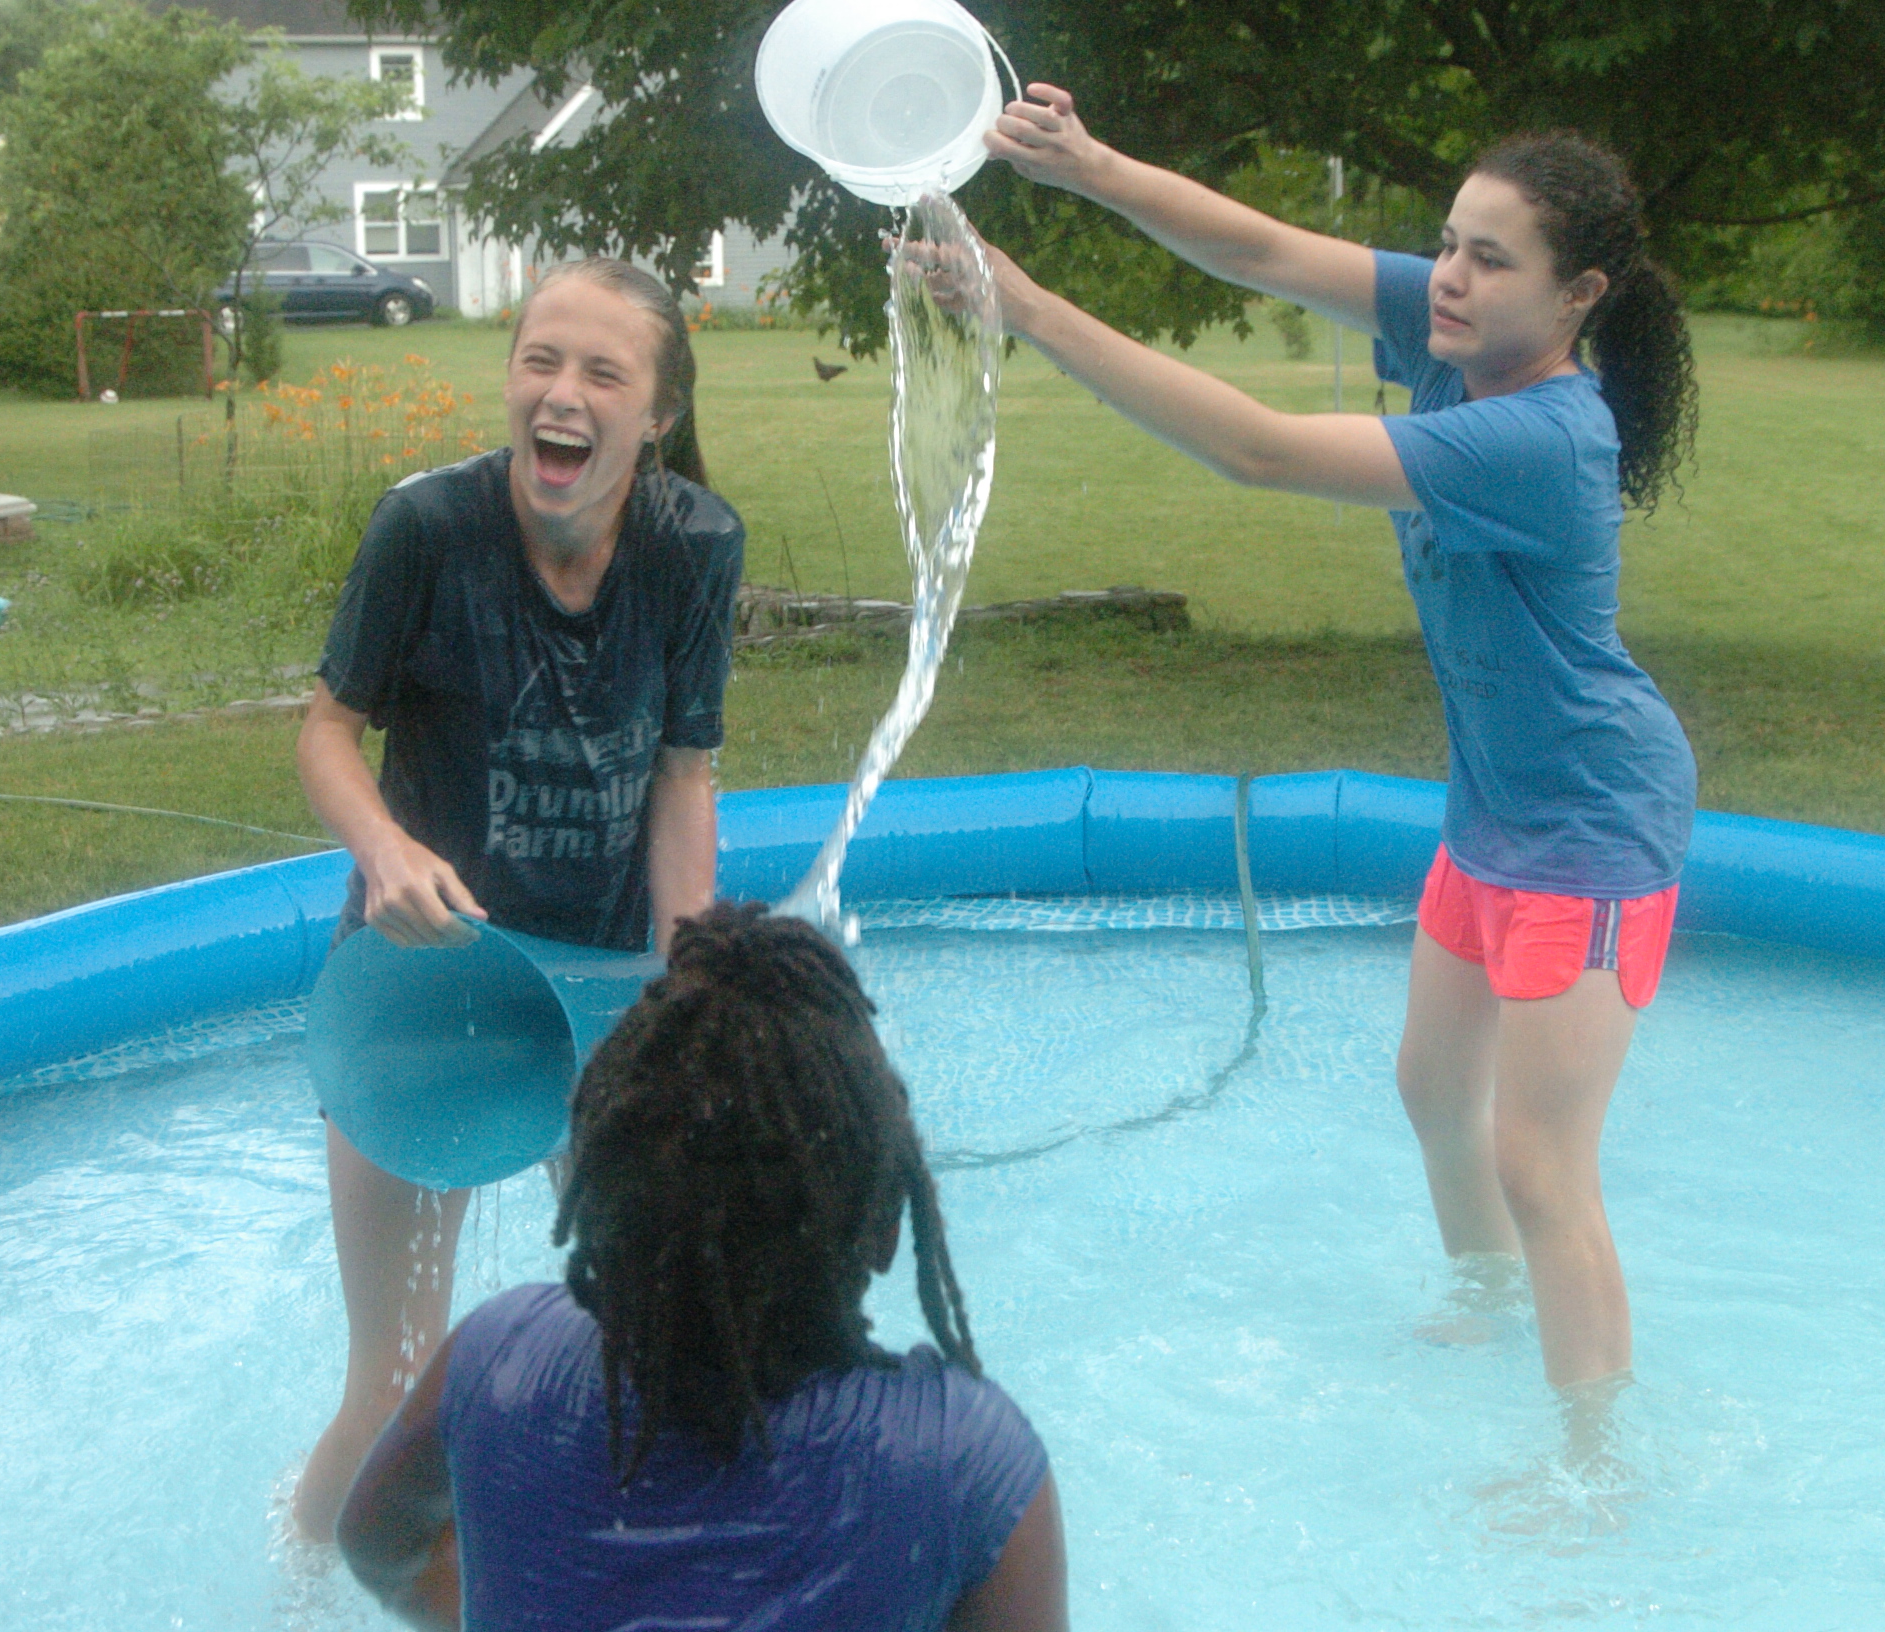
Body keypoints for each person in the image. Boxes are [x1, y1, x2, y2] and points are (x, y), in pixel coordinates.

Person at [972, 91, 1698, 1392]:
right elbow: (1258, 249)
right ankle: (1485, 1302)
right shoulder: (1458, 330)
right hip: (1495, 803)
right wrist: (1088, 165)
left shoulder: (1541, 436)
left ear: (1579, 294)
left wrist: (1027, 308)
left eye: (1491, 258)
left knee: (1541, 1164)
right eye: (1450, 242)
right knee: (1433, 1090)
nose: (1451, 276)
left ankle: (1592, 1464)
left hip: (1592, 823)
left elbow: (1256, 452)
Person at [288, 257, 745, 1540]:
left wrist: (686, 984)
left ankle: (628, 1583)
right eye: (540, 360)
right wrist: (384, 847)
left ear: (657, 414)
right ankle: (302, 1593)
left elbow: (683, 775)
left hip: (597, 995)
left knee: (658, 1348)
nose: (562, 393)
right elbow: (326, 730)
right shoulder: (427, 529)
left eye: (603, 372)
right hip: (421, 986)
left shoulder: (695, 545)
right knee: (393, 1386)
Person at [337, 903, 1068, 1631]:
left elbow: (377, 1547)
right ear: (884, 1228)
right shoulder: (963, 1467)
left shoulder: (498, 1364)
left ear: (602, 1200)